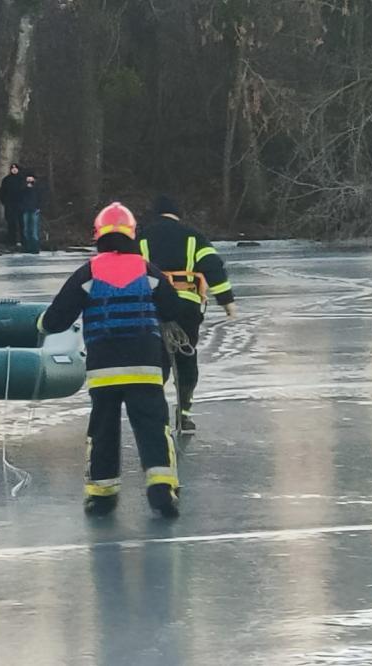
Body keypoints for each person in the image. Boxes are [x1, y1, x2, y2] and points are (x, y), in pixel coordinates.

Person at [37, 202, 181, 518]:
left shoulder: (89, 272)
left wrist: (39, 327)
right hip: (145, 367)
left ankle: (102, 496)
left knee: (103, 430)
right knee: (154, 428)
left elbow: (57, 318)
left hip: (104, 370)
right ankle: (161, 492)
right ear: (132, 234)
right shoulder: (147, 270)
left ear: (98, 235)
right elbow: (173, 308)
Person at [138, 194, 236, 434]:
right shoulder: (194, 237)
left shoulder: (142, 239)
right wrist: (226, 302)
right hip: (187, 306)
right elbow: (213, 268)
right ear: (177, 214)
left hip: (152, 307)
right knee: (186, 357)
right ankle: (184, 415)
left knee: (156, 361)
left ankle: (155, 416)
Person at [0, 163, 24, 246]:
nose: (14, 170)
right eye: (12, 168)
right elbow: (2, 192)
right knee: (11, 224)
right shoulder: (6, 180)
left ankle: (23, 241)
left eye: (16, 168)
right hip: (9, 205)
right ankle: (11, 241)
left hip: (20, 205)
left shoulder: (22, 179)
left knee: (22, 224)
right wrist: (4, 201)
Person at [20, 173, 41, 254]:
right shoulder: (23, 189)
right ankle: (27, 247)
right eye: (28, 179)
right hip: (25, 210)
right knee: (26, 230)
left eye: (31, 179)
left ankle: (35, 248)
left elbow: (41, 198)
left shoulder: (37, 189)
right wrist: (22, 208)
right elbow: (20, 198)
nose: (29, 181)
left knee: (34, 230)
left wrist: (39, 207)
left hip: (34, 210)